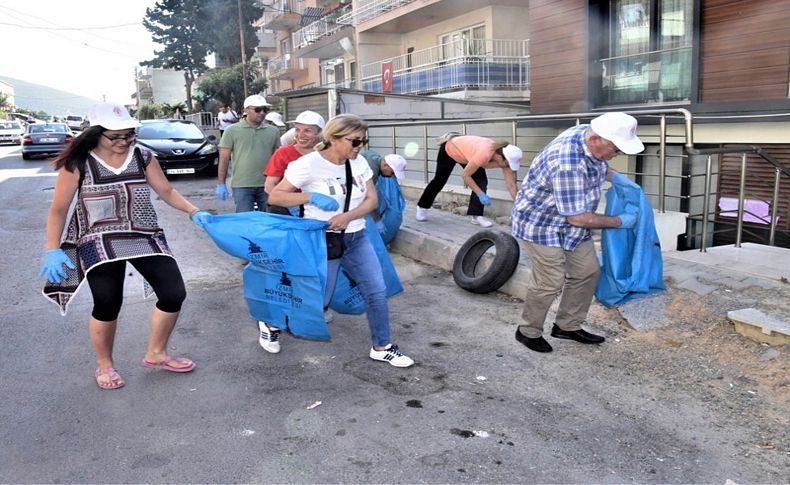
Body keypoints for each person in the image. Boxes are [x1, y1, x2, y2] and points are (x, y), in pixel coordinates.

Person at [38, 102, 212, 389]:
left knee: (173, 292)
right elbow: (58, 209)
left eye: (128, 135)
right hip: (97, 238)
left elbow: (166, 191)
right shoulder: (79, 163)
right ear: (95, 134)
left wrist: (194, 211)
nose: (123, 142)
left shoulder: (143, 155)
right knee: (107, 301)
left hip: (143, 234)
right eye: (115, 136)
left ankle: (157, 353)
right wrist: (52, 248)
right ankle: (105, 365)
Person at [268, 113, 414, 368]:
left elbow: (372, 200)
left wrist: (349, 216)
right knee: (319, 299)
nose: (361, 146)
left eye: (363, 141)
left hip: (357, 236)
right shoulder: (308, 164)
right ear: (333, 139)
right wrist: (310, 197)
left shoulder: (359, 163)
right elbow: (276, 196)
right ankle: (271, 322)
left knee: (376, 291)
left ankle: (382, 346)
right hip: (324, 239)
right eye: (355, 141)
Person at [511, 111, 644, 353]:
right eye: (617, 150)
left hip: (570, 222)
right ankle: (527, 331)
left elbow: (597, 165)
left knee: (587, 271)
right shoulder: (567, 162)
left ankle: (567, 326)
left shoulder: (587, 133)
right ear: (596, 141)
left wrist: (616, 178)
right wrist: (619, 221)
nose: (618, 155)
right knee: (549, 281)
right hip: (540, 224)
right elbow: (578, 217)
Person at [415, 134, 523, 228]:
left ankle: (476, 216)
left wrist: (521, 206)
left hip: (468, 155)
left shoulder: (506, 159)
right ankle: (422, 207)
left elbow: (511, 186)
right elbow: (465, 175)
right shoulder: (484, 154)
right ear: (500, 158)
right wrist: (480, 194)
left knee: (481, 181)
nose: (509, 167)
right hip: (450, 150)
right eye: (508, 164)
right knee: (439, 181)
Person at [216, 94, 280, 212]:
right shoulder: (231, 131)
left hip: (267, 185)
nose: (262, 113)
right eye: (257, 109)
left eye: (265, 110)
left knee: (268, 221)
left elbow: (277, 159)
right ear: (246, 110)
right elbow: (224, 159)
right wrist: (221, 183)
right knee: (245, 221)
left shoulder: (273, 131)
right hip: (242, 185)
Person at [263, 110, 325, 216]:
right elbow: (269, 186)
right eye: (297, 130)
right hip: (287, 212)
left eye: (307, 130)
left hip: (321, 209)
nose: (300, 135)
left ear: (319, 132)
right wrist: (292, 204)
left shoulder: (326, 154)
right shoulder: (283, 153)